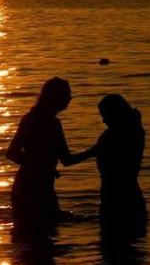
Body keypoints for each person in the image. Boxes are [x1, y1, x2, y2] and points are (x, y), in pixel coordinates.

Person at [6, 77, 96, 232]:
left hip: (28, 185)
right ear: (55, 96)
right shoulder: (50, 123)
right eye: (67, 94)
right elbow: (66, 160)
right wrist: (93, 151)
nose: (70, 98)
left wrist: (40, 167)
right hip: (36, 188)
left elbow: (12, 153)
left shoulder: (30, 118)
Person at [95, 94, 147, 235]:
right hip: (131, 198)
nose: (103, 120)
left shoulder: (113, 137)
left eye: (105, 115)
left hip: (115, 200)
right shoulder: (135, 132)